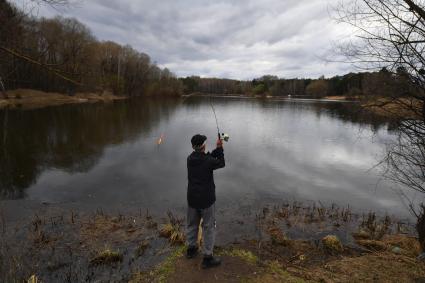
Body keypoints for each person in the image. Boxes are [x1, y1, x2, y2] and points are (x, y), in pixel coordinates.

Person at [186, 134, 225, 269]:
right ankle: (207, 258)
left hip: (192, 199)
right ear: (203, 145)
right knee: (208, 228)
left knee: (192, 225)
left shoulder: (190, 159)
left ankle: (191, 250)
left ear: (193, 147)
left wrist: (216, 149)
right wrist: (220, 149)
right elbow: (221, 163)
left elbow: (206, 157)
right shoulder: (208, 161)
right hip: (207, 200)